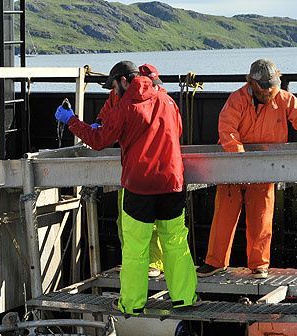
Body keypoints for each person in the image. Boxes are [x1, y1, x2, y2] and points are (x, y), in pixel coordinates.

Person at [55, 60, 198, 315]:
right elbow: (177, 132)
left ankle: (131, 304)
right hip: (172, 183)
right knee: (176, 242)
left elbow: (98, 141)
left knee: (135, 249)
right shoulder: (168, 102)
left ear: (123, 80)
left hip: (139, 186)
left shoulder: (125, 107)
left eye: (114, 86)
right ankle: (185, 298)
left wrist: (72, 121)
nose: (114, 91)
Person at [197, 58, 297, 279]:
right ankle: (215, 262)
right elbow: (227, 129)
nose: (269, 90)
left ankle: (259, 265)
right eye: (264, 86)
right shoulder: (237, 100)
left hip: (264, 166)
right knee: (224, 214)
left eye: (272, 84)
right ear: (250, 82)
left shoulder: (284, 98)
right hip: (234, 165)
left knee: (262, 217)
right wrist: (239, 159)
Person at [95, 64, 166, 279]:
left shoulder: (156, 98)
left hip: (148, 170)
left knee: (150, 224)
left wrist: (75, 123)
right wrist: (98, 123)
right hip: (131, 170)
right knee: (125, 221)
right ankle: (132, 261)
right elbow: (106, 115)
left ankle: (153, 263)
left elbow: (102, 138)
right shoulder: (119, 97)